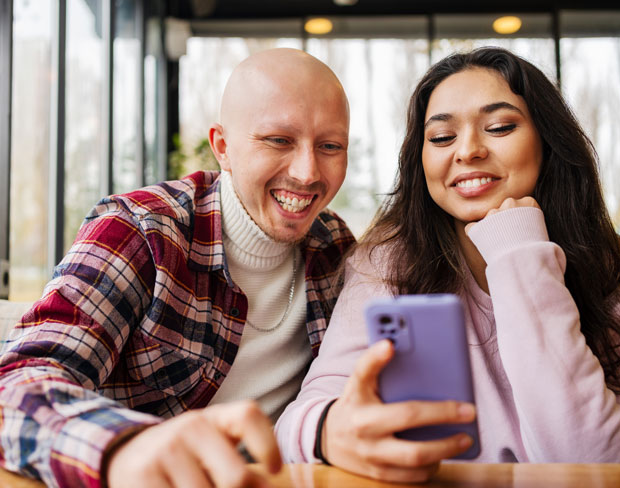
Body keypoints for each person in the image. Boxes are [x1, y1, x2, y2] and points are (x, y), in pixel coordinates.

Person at [276, 46, 620, 482]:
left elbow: (610, 470)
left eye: (499, 127)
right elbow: (296, 426)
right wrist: (329, 431)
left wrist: (519, 256)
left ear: (548, 142)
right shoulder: (387, 264)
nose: (468, 150)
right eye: (441, 137)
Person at [0, 48, 355, 488]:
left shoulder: (335, 247)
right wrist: (123, 446)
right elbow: (17, 386)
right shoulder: (140, 229)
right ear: (223, 148)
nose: (307, 172)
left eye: (330, 146)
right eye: (278, 140)